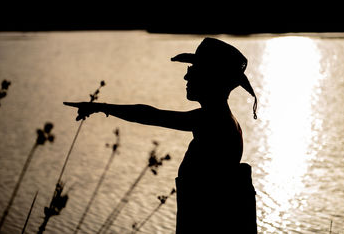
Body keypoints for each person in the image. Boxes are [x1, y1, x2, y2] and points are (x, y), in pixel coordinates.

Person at [64, 37, 258, 233]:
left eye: (192, 71)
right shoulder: (222, 119)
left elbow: (150, 115)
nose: (186, 78)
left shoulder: (212, 120)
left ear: (211, 78)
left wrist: (100, 107)